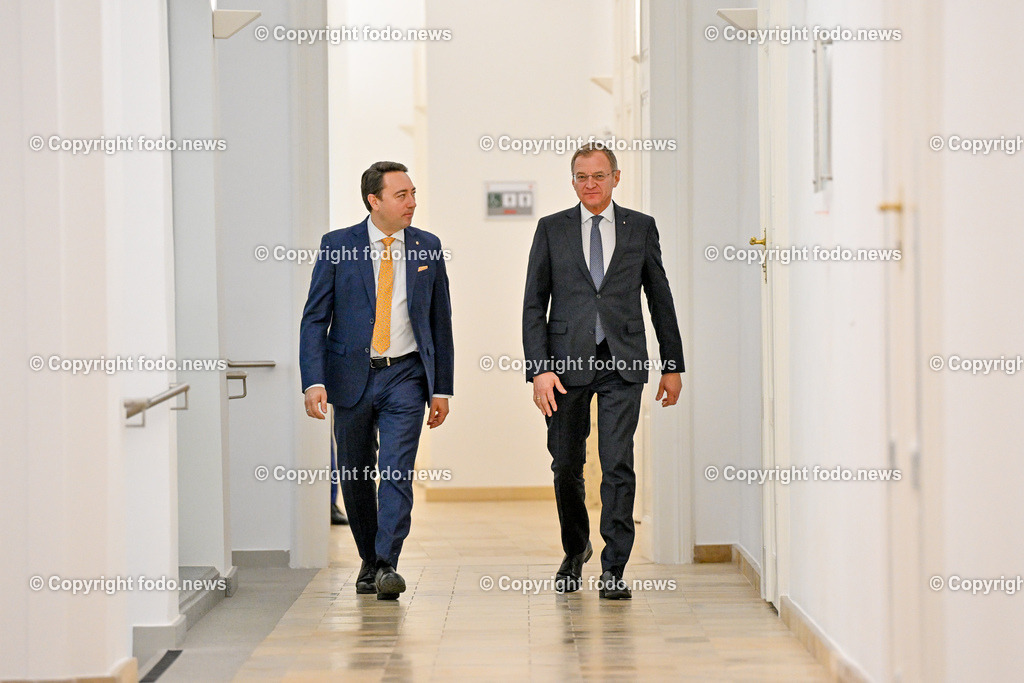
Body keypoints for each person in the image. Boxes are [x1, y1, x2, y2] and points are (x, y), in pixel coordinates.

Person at [522, 143, 684, 599]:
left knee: (617, 462)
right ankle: (576, 550)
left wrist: (672, 364)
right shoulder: (551, 229)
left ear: (616, 177)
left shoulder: (640, 228)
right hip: (564, 367)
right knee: (566, 465)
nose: (590, 184)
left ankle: (614, 568)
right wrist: (539, 369)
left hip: (622, 361)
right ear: (572, 181)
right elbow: (534, 304)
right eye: (581, 177)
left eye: (598, 176)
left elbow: (660, 298)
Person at [300, 161, 454, 600]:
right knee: (355, 472)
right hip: (349, 377)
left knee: (396, 469)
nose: (412, 202)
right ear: (375, 201)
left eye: (413, 193)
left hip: (406, 375)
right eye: (401, 195)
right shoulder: (338, 246)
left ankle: (387, 561)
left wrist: (442, 387)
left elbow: (440, 322)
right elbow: (314, 320)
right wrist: (314, 380)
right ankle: (370, 560)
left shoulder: (428, 246)